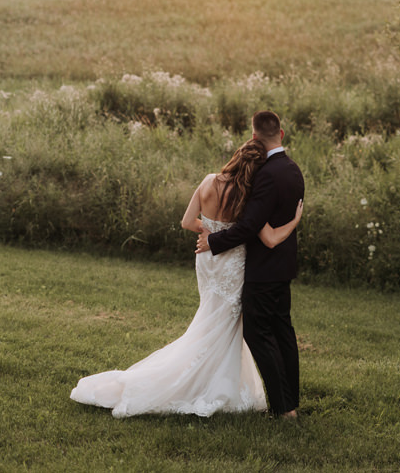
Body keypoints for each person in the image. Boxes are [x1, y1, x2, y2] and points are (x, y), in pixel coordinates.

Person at [70, 139, 303, 418]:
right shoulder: (246, 195)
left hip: (206, 261)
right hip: (231, 261)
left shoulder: (207, 181)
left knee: (210, 318)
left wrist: (209, 231)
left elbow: (186, 221)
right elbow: (264, 236)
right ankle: (215, 385)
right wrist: (293, 221)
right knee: (225, 324)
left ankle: (209, 379)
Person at [196, 111, 305, 419]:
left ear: (255, 136)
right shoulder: (294, 170)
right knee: (283, 333)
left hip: (262, 270)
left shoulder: (265, 174)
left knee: (258, 334)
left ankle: (284, 409)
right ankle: (290, 402)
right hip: (283, 267)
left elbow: (249, 227)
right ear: (281, 134)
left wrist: (213, 242)